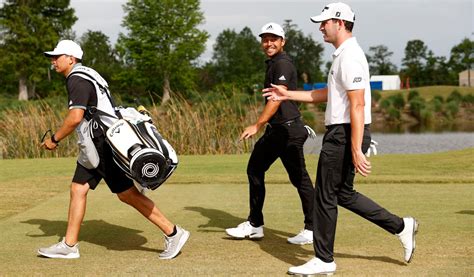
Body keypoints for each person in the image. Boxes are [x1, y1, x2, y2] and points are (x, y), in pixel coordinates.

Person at [262, 3, 418, 275]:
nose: (321, 27)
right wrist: (286, 95)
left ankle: (324, 259)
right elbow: (326, 95)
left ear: (341, 23)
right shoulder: (341, 56)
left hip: (344, 135)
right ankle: (402, 226)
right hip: (344, 133)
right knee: (342, 193)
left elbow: (357, 105)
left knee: (324, 194)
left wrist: (356, 148)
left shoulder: (350, 56)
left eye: (325, 22)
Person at [38, 40, 189, 260]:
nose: (53, 61)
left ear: (71, 58)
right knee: (78, 188)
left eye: (57, 56)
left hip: (102, 145)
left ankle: (173, 232)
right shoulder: (88, 74)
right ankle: (69, 245)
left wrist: (54, 139)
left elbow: (75, 117)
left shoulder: (77, 79)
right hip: (97, 144)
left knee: (127, 194)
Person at [225, 23, 315, 245]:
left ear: (283, 41)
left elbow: (275, 100)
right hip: (280, 130)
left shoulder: (282, 64)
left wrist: (257, 124)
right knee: (260, 170)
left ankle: (312, 228)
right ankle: (256, 225)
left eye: (274, 39)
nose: (269, 43)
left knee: (297, 178)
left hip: (287, 131)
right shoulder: (274, 63)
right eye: (265, 39)